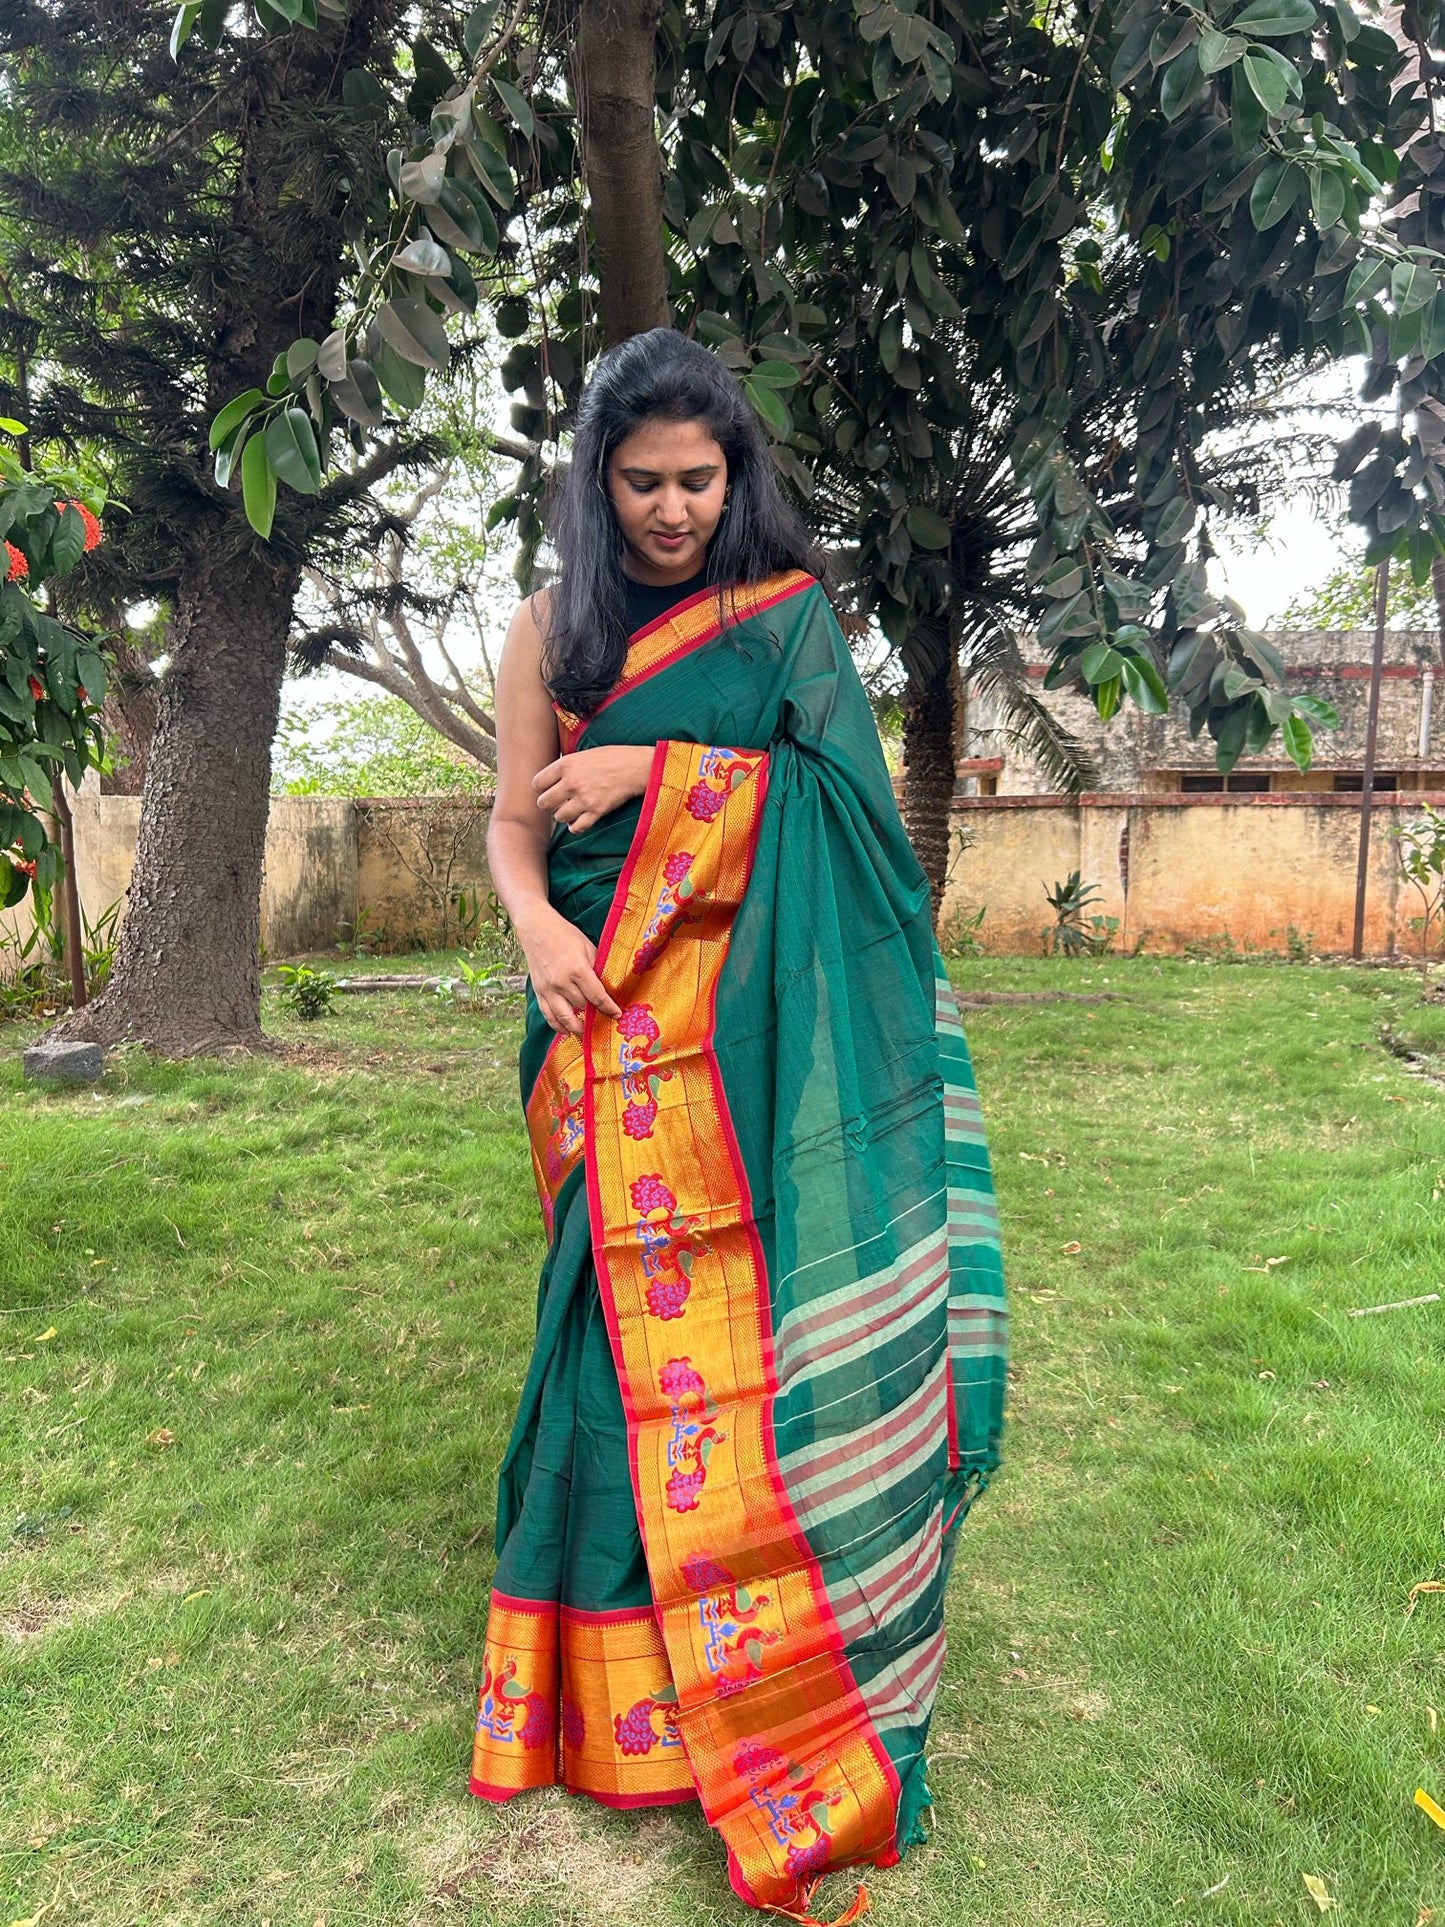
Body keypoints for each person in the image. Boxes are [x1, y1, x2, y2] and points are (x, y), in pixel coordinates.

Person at [471, 327, 1007, 1924]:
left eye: (698, 479)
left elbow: (844, 822)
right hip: (601, 1015)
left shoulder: (784, 625)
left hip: (756, 1038)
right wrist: (539, 936)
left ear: (736, 474)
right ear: (595, 480)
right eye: (639, 481)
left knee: (748, 1322)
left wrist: (660, 768)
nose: (670, 509)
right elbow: (509, 829)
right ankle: (605, 1677)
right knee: (604, 1322)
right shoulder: (546, 629)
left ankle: (777, 1648)